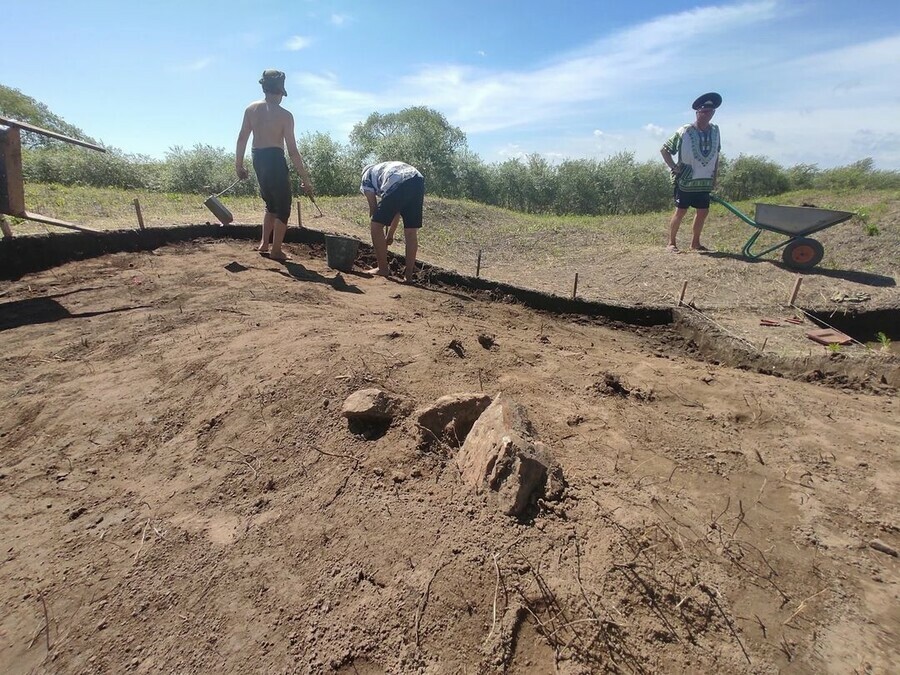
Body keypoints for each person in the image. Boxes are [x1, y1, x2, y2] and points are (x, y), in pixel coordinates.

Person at [235, 69, 315, 261]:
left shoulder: (251, 109)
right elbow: (293, 151)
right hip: (275, 159)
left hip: (258, 159)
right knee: (283, 208)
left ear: (264, 88)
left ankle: (264, 244)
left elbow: (242, 139)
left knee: (270, 204)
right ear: (280, 91)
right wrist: (306, 179)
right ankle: (276, 250)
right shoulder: (285, 116)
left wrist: (238, 165)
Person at [660, 92, 722, 253]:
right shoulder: (685, 131)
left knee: (703, 211)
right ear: (697, 112)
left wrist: (715, 177)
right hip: (686, 181)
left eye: (710, 111)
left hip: (705, 180)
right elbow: (665, 150)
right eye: (704, 112)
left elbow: (716, 155)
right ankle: (671, 243)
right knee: (680, 211)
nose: (707, 115)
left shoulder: (716, 131)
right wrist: (674, 167)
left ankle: (695, 243)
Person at [360, 161, 425, 282]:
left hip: (399, 180)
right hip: (417, 179)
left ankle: (382, 269)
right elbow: (396, 212)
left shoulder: (366, 177)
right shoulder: (383, 171)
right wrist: (389, 235)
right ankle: (408, 276)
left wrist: (378, 230)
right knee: (411, 231)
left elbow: (373, 209)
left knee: (375, 225)